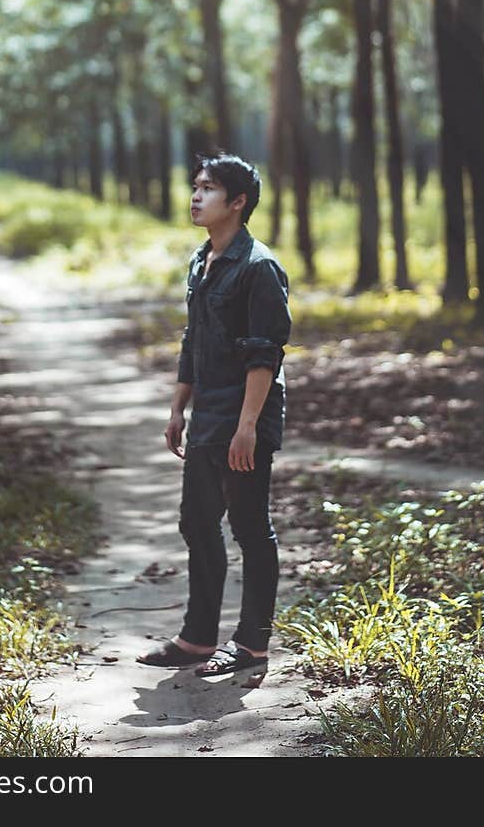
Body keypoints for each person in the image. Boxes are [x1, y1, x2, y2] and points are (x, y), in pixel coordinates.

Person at [137, 151, 291, 678]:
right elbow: (193, 340)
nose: (196, 196)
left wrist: (248, 427)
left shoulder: (259, 267)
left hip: (245, 419)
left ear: (239, 202)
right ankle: (198, 638)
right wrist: (178, 406)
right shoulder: (201, 261)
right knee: (197, 523)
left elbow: (264, 354)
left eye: (208, 188)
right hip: (206, 417)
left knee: (250, 528)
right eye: (195, 186)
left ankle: (252, 645)